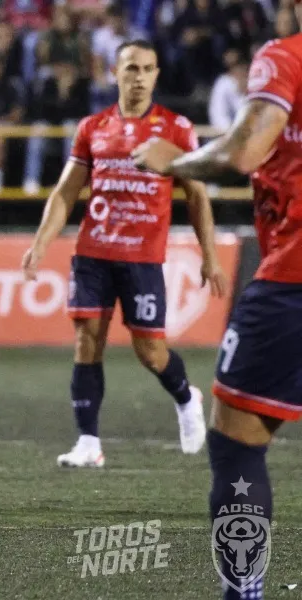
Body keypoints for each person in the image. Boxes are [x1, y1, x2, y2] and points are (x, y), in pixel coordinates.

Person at [131, 15, 302, 599]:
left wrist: (173, 163)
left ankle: (244, 593)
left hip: (294, 280)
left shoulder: (286, 56)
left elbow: (246, 151)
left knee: (236, 440)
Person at [21, 40, 229, 468]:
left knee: (150, 352)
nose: (140, 77)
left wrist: (209, 255)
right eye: (132, 68)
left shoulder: (176, 129)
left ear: (156, 75)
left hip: (142, 256)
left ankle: (185, 395)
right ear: (114, 73)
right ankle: (88, 443)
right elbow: (65, 192)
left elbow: (196, 197)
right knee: (87, 341)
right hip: (93, 251)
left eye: (148, 68)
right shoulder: (92, 128)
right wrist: (40, 244)